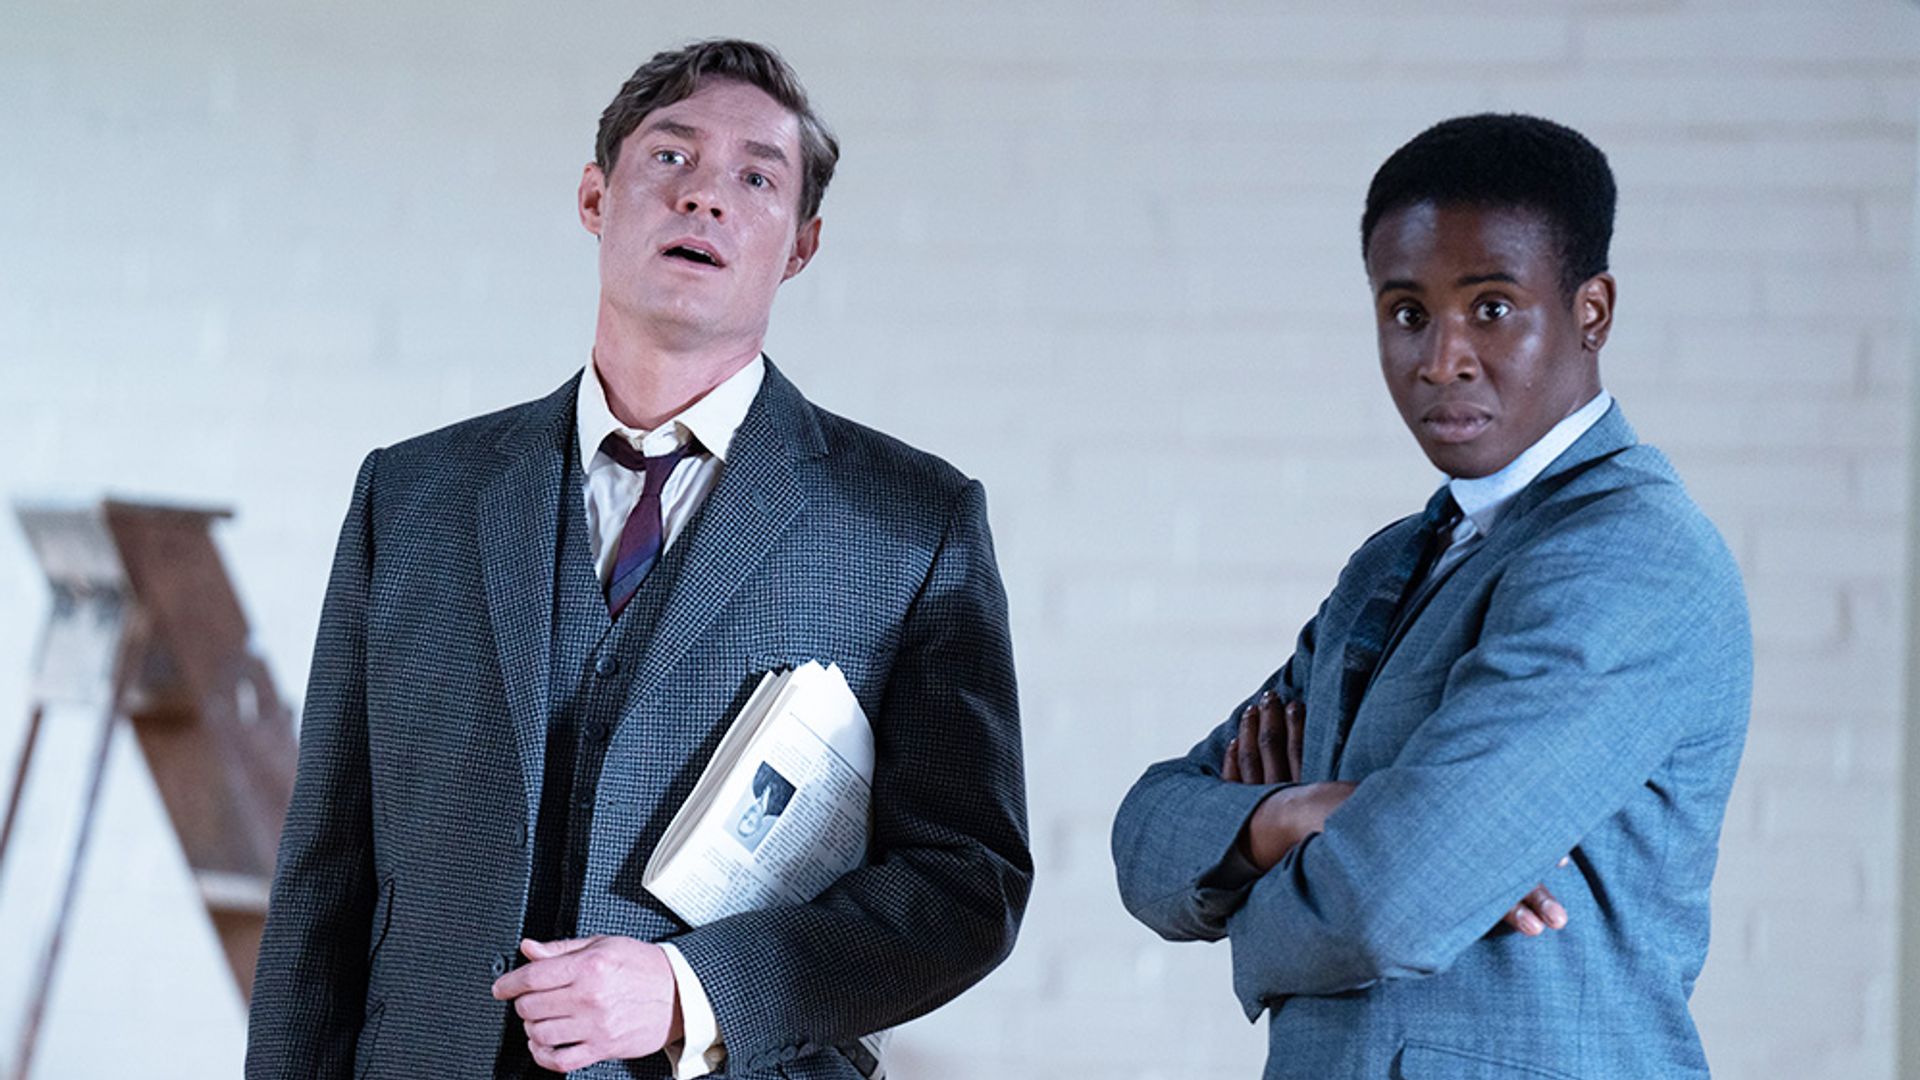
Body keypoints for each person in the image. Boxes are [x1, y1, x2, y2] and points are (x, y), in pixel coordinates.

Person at [246, 39, 1030, 1080]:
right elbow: (322, 880)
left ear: (800, 245)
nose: (706, 196)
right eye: (671, 158)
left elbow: (966, 885)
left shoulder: (910, 526)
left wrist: (691, 992)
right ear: (593, 196)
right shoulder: (414, 497)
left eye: (757, 177)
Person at [1111, 114, 1750, 1079]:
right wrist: (1293, 817)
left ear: (1592, 311)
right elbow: (1146, 838)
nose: (1441, 356)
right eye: (1407, 311)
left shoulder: (1632, 556)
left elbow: (1387, 905)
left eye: (1491, 307)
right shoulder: (1395, 563)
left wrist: (1261, 888)